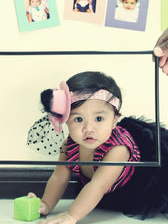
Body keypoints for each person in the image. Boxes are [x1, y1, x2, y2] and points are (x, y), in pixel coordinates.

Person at [27, 71, 168, 224]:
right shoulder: (69, 145)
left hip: (137, 188)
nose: (89, 128)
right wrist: (46, 204)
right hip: (100, 190)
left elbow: (98, 186)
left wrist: (71, 215)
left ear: (114, 120)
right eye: (78, 119)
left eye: (99, 118)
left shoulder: (118, 149)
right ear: (66, 120)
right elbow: (59, 177)